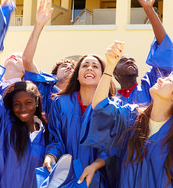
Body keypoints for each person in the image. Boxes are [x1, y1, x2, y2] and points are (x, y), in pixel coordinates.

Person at [81, 41, 173, 188]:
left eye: (168, 81)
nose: (159, 78)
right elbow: (100, 105)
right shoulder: (132, 117)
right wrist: (109, 66)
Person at [0, 24, 49, 187]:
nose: (14, 56)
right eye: (11, 54)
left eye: (19, 57)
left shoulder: (29, 92)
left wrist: (38, 25)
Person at [43, 52, 117, 187]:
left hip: (98, 179)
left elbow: (113, 146)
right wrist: (51, 156)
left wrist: (95, 165)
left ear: (103, 76)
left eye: (95, 66)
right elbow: (56, 140)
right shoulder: (61, 103)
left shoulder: (111, 108)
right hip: (66, 178)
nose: (89, 68)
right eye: (85, 65)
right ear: (77, 75)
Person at [114, 0, 173, 105]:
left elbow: (166, 50)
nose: (129, 61)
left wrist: (148, 9)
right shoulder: (111, 101)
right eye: (123, 61)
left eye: (132, 60)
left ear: (138, 73)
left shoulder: (150, 87)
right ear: (114, 73)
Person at [22, 0, 75, 114]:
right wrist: (38, 26)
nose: (69, 67)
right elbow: (27, 60)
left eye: (73, 67)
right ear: (54, 75)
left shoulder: (80, 97)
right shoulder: (44, 89)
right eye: (64, 66)